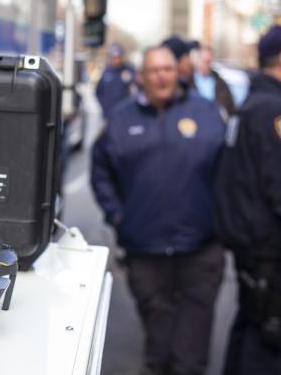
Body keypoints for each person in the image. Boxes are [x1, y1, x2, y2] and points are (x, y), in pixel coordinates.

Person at [91, 46, 225, 375]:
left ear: (177, 72)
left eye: (167, 68)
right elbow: (100, 172)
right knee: (159, 349)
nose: (162, 75)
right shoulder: (120, 120)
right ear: (141, 77)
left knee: (190, 356)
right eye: (153, 70)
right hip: (145, 252)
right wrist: (117, 215)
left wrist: (222, 220)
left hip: (200, 251)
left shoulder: (206, 112)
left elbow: (229, 171)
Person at [215, 21, 281, 375]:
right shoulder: (279, 114)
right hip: (278, 263)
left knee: (247, 344)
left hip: (257, 260)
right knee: (263, 354)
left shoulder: (255, 104)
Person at [163, 36, 235, 115]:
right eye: (187, 55)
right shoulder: (180, 85)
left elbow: (229, 105)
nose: (190, 61)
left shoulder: (219, 81)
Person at [95, 43, 136, 116]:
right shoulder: (106, 71)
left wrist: (130, 80)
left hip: (125, 114)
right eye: (114, 57)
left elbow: (136, 91)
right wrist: (104, 107)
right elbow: (98, 91)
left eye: (118, 57)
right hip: (109, 113)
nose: (116, 60)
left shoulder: (129, 70)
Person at [193, 46, 235, 115]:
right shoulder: (188, 81)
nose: (207, 65)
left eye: (209, 62)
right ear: (197, 60)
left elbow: (229, 104)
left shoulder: (219, 82)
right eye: (204, 61)